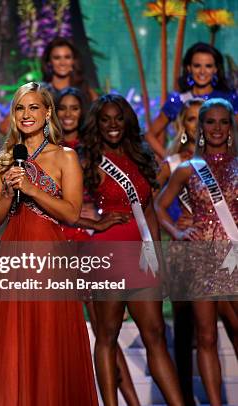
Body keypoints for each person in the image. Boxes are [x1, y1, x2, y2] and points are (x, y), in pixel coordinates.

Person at [0, 82, 98, 405]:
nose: (26, 115)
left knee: (50, 343)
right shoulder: (4, 161)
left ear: (48, 112)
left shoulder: (65, 157)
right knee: (12, 345)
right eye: (20, 108)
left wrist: (32, 188)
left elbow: (71, 213)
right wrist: (11, 193)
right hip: (13, 262)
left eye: (33, 108)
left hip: (50, 260)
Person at [76, 94, 183, 406]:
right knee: (107, 336)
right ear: (97, 124)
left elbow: (149, 212)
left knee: (156, 336)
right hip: (107, 255)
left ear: (127, 122)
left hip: (141, 255)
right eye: (106, 119)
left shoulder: (139, 157)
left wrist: (156, 257)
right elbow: (66, 208)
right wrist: (94, 223)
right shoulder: (86, 161)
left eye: (118, 118)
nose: (112, 125)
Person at [56, 87, 140, 406]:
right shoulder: (48, 149)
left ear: (83, 113)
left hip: (88, 243)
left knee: (104, 330)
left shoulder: (91, 149)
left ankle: (130, 399)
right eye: (61, 108)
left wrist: (95, 218)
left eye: (74, 108)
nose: (67, 114)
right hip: (57, 243)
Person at [155, 98, 237, 406]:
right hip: (202, 259)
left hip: (234, 256)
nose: (217, 128)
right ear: (200, 127)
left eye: (223, 122)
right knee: (206, 337)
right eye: (210, 122)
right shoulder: (188, 169)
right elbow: (160, 206)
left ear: (230, 127)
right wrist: (177, 231)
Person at [145, 42, 238, 159]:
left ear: (215, 69)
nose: (202, 71)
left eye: (208, 66)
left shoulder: (229, 99)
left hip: (222, 166)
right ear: (189, 68)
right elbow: (149, 135)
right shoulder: (178, 100)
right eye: (197, 66)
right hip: (187, 168)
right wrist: (170, 161)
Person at [0, 37, 98, 134]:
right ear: (49, 62)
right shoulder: (37, 91)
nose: (62, 63)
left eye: (67, 57)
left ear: (73, 61)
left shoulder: (86, 91)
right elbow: (5, 127)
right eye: (57, 58)